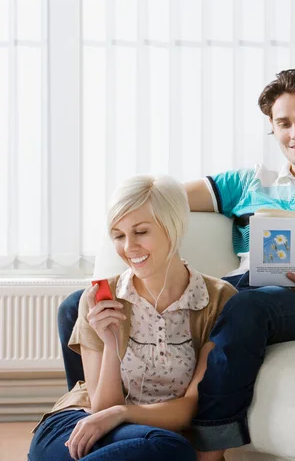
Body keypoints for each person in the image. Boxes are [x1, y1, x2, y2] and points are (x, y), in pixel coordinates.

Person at [58, 68, 295, 461]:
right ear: (272, 127)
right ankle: (89, 427)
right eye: (283, 123)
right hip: (244, 289)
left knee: (246, 305)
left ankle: (210, 449)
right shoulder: (250, 181)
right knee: (77, 305)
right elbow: (159, 201)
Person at [29, 175, 236, 461]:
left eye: (140, 232)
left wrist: (121, 413)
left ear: (172, 228)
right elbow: (100, 407)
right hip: (80, 425)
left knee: (168, 447)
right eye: (118, 235)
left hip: (151, 435)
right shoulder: (100, 298)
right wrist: (111, 344)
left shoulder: (218, 299)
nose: (129, 247)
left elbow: (192, 407)